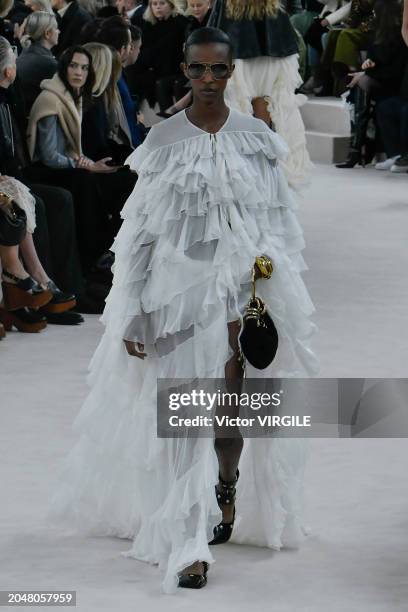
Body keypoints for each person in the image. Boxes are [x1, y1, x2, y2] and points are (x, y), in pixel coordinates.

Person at [49, 26, 318, 593]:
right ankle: (189, 539)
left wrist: (274, 286)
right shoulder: (164, 140)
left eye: (219, 69)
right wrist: (135, 311)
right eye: (198, 69)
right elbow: (141, 233)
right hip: (179, 293)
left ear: (231, 72)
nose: (209, 80)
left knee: (230, 409)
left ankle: (226, 489)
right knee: (183, 416)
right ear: (185, 70)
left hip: (243, 292)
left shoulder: (256, 137)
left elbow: (278, 222)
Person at [209, 0, 311, 190]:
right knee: (269, 103)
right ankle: (270, 166)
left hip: (238, 56)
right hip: (274, 56)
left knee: (238, 105)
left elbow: (216, 27)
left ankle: (242, 171)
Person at [16, 11, 59, 114]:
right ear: (47, 34)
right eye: (56, 28)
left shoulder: (25, 52)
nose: (59, 31)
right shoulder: (49, 64)